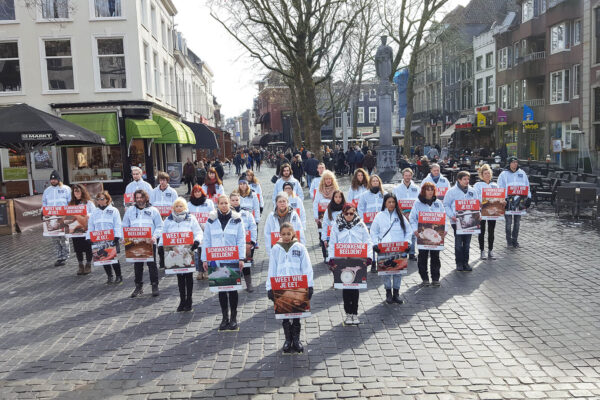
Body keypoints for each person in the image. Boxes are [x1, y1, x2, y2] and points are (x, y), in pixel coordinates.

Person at [266, 222, 314, 353]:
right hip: (281, 287)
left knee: (297, 314)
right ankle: (288, 340)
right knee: (285, 314)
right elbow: (272, 269)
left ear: (293, 233)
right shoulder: (276, 249)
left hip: (297, 286)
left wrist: (309, 286)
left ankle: (296, 339)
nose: (286, 236)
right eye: (283, 234)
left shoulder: (300, 247)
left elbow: (307, 268)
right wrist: (270, 287)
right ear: (279, 234)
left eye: (289, 233)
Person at [201, 195, 246, 330]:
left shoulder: (237, 219)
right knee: (221, 290)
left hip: (232, 260)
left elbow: (241, 240)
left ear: (229, 204)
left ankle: (233, 317)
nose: (224, 205)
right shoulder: (211, 220)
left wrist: (241, 258)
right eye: (221, 203)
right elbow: (207, 240)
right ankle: (224, 317)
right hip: (217, 260)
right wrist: (204, 258)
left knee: (232, 291)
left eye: (226, 203)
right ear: (217, 205)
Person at [326, 203, 372, 324]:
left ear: (355, 213)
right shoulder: (337, 225)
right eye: (346, 213)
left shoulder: (361, 225)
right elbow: (332, 243)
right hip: (342, 260)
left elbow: (367, 241)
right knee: (346, 287)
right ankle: (348, 313)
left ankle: (355, 313)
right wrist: (331, 258)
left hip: (357, 259)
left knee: (355, 287)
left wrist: (369, 257)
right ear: (343, 213)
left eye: (352, 213)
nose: (349, 216)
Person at [160, 197, 202, 311]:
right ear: (173, 208)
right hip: (174, 252)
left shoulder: (191, 218)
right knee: (180, 277)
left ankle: (189, 300)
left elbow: (198, 232)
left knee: (188, 276)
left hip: (188, 251)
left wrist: (197, 241)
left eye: (181, 206)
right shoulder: (168, 220)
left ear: (185, 207)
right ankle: (182, 300)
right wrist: (163, 246)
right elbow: (163, 234)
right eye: (177, 206)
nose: (178, 208)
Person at [370, 193, 412, 304]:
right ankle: (388, 292)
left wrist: (408, 243)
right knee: (386, 272)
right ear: (385, 203)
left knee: (398, 272)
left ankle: (396, 293)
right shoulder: (379, 216)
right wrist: (375, 244)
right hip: (384, 248)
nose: (391, 204)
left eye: (393, 202)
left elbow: (408, 231)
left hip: (399, 248)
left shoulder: (400, 216)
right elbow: (373, 231)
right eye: (389, 202)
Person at [122, 189, 164, 297]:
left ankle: (154, 285)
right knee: (138, 265)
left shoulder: (153, 210)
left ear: (146, 198)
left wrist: (155, 236)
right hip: (134, 242)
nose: (139, 200)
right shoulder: (130, 210)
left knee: (152, 264)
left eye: (141, 197)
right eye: (137, 198)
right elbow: (124, 225)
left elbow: (160, 225)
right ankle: (138, 287)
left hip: (149, 241)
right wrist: (124, 237)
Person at [409, 182, 447, 287]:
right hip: (423, 235)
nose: (430, 192)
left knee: (435, 256)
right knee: (423, 256)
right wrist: (414, 230)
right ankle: (424, 278)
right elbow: (412, 218)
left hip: (435, 235)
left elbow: (443, 217)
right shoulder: (417, 203)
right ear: (423, 191)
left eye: (432, 190)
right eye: (428, 189)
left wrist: (445, 229)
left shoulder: (438, 203)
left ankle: (435, 278)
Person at [444, 171, 478, 271]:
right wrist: (452, 216)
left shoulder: (473, 191)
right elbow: (446, 204)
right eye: (464, 179)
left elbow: (476, 205)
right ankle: (459, 263)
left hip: (470, 221)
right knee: (458, 243)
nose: (467, 181)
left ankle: (466, 263)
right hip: (456, 221)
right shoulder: (451, 191)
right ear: (459, 180)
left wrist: (478, 215)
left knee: (467, 243)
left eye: (468, 179)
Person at [87, 191, 123, 285]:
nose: (99, 201)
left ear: (107, 200)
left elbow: (118, 224)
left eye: (102, 199)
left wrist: (117, 236)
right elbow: (91, 225)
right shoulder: (94, 212)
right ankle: (109, 276)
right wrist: (89, 237)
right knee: (103, 258)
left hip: (111, 238)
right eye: (98, 199)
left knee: (113, 257)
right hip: (99, 239)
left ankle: (118, 276)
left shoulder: (114, 210)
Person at [497, 156, 531, 248]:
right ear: (509, 163)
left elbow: (527, 185)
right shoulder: (503, 174)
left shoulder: (522, 173)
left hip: (520, 201)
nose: (515, 164)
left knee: (517, 222)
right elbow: (500, 187)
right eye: (513, 162)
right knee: (508, 223)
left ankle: (515, 241)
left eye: (516, 162)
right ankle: (509, 242)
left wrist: (529, 197)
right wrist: (502, 199)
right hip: (508, 201)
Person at [42, 170, 72, 266]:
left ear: (59, 179)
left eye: (55, 179)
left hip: (63, 216)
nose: (53, 181)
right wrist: (43, 212)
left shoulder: (66, 189)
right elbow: (44, 203)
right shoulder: (47, 191)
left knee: (64, 237)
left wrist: (68, 214)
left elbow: (70, 201)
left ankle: (65, 256)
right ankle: (59, 256)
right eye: (52, 179)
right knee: (55, 238)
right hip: (51, 217)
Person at [474, 164, 503, 260]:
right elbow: (475, 197)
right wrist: (481, 202)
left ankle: (490, 250)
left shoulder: (495, 185)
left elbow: (499, 197)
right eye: (485, 173)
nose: (487, 175)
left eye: (489, 173)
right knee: (481, 231)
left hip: (492, 211)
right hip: (481, 210)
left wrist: (502, 202)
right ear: (481, 175)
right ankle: (482, 251)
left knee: (491, 231)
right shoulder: (477, 185)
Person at [230, 192, 257, 292]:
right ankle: (233, 285)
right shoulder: (226, 213)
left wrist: (253, 241)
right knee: (232, 265)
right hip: (231, 244)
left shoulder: (247, 213)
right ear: (229, 201)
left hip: (245, 243)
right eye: (232, 200)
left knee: (246, 264)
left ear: (239, 200)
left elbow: (253, 227)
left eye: (237, 200)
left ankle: (248, 284)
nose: (235, 202)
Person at [358, 174, 385, 273]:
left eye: (377, 181)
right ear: (370, 183)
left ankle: (380, 262)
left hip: (381, 224)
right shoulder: (364, 195)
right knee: (372, 243)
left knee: (381, 243)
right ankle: (373, 262)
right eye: (373, 181)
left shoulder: (384, 194)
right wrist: (363, 220)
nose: (375, 183)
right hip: (369, 224)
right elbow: (360, 208)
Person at [151, 172, 178, 269]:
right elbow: (150, 205)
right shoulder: (154, 191)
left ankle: (170, 261)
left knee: (169, 241)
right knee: (159, 242)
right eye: (161, 180)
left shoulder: (173, 192)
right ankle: (162, 261)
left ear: (167, 181)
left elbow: (176, 206)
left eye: (164, 180)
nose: (162, 182)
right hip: (157, 220)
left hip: (169, 220)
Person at [188, 185, 215, 280]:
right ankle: (200, 271)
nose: (197, 193)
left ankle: (207, 269)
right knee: (198, 251)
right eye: (195, 192)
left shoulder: (208, 202)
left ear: (202, 192)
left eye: (199, 191)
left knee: (206, 249)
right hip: (195, 230)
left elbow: (213, 215)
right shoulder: (189, 204)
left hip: (207, 228)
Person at [393, 168, 420, 261]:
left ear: (411, 176)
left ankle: (412, 253)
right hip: (401, 214)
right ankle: (403, 253)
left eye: (409, 175)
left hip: (413, 215)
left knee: (413, 234)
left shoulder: (416, 188)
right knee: (402, 233)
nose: (407, 177)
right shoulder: (397, 188)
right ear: (403, 176)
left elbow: (419, 202)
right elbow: (394, 202)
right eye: (406, 175)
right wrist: (402, 213)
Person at [68, 184, 95, 275]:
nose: (77, 193)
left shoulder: (89, 203)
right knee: (78, 248)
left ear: (82, 192)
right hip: (75, 229)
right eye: (75, 191)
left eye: (78, 191)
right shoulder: (71, 203)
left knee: (87, 247)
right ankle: (80, 265)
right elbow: (67, 214)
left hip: (86, 228)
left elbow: (94, 213)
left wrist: (88, 215)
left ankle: (88, 264)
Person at [313, 170, 339, 259]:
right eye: (326, 179)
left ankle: (334, 254)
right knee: (324, 235)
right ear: (323, 180)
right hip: (321, 215)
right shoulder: (319, 190)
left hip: (333, 215)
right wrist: (316, 216)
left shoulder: (336, 190)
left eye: (330, 179)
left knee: (333, 234)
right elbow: (316, 202)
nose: (328, 181)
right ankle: (325, 255)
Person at [321, 190, 346, 255]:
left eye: (340, 197)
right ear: (333, 198)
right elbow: (325, 224)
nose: (338, 199)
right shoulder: (329, 209)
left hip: (343, 236)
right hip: (332, 236)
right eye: (336, 197)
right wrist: (324, 238)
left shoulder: (346, 209)